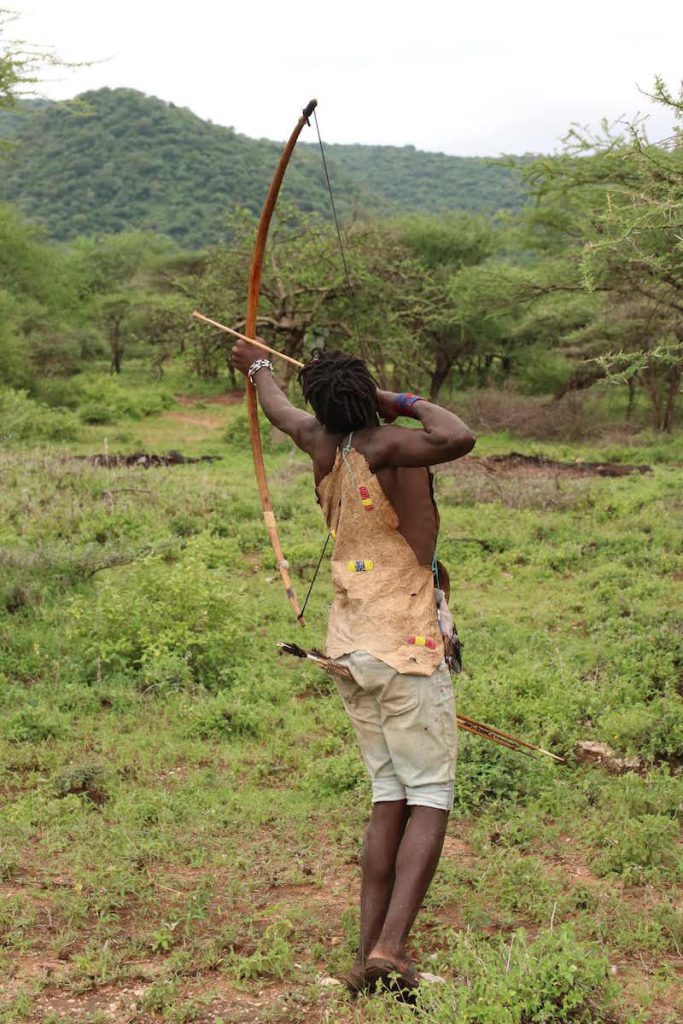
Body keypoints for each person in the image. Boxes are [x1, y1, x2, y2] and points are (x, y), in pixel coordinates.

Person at [231, 342, 475, 995]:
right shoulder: (389, 443)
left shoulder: (318, 440)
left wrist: (256, 366)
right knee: (428, 794)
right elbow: (457, 435)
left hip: (349, 647)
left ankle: (370, 955)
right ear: (367, 396)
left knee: (388, 793)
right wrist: (399, 400)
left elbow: (279, 408)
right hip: (404, 642)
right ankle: (390, 949)